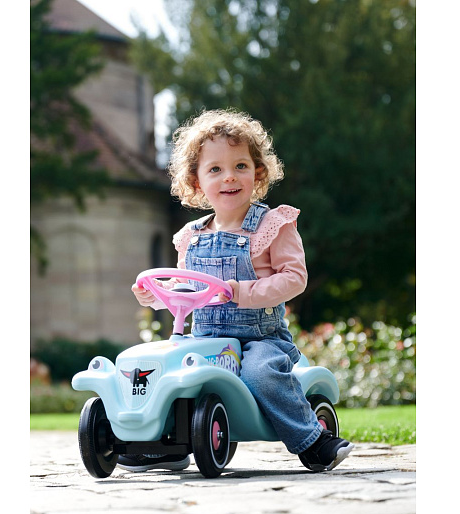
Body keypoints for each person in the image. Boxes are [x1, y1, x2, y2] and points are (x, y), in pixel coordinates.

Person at [118, 109, 354, 474]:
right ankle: (163, 444)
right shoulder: (191, 236)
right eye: (215, 169)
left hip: (261, 339)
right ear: (196, 181)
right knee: (166, 368)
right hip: (206, 340)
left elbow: (294, 278)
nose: (229, 176)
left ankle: (313, 439)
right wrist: (159, 294)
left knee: (260, 374)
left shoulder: (273, 225)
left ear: (257, 173)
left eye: (240, 166)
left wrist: (240, 291)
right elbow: (186, 288)